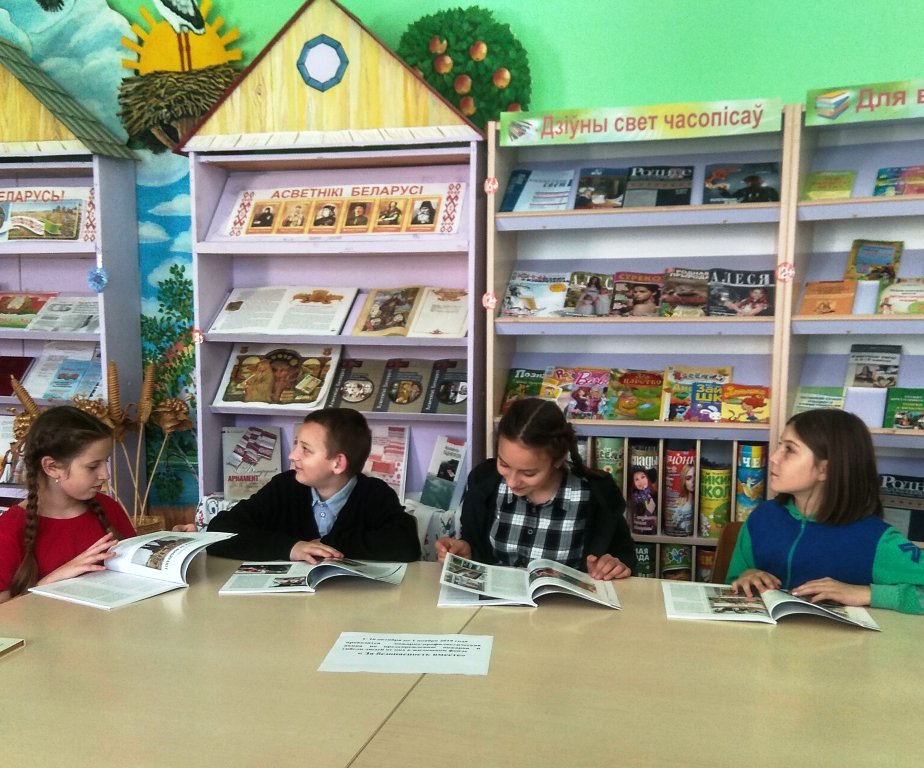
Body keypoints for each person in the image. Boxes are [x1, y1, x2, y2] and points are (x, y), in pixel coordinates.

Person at [728, 408, 924, 614]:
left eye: (790, 449)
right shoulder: (762, 518)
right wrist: (746, 576)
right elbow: (731, 583)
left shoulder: (878, 539)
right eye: (780, 445)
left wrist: (866, 594)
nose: (774, 457)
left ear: (825, 469)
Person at [435, 398, 636, 579]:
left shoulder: (597, 495)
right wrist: (465, 551)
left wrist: (613, 566)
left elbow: (625, 557)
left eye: (528, 473)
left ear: (558, 459)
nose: (512, 482)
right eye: (504, 464)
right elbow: (476, 547)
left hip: (564, 607)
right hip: (494, 605)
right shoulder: (484, 482)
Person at [196, 408, 420, 563]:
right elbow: (219, 532)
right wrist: (292, 547)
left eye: (305, 449)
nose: (292, 455)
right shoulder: (284, 487)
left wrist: (327, 544)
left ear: (338, 463)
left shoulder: (375, 494)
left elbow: (406, 545)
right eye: (296, 446)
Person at [0, 406, 135, 604]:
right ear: (52, 467)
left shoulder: (108, 507)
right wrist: (51, 581)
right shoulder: (8, 530)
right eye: (92, 466)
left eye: (105, 462)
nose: (105, 474)